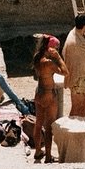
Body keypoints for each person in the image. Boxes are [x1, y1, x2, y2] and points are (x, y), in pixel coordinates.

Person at [30, 34, 65, 162]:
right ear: (50, 48)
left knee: (38, 124)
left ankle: (38, 151)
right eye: (55, 48)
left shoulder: (37, 58)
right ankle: (49, 157)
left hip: (39, 93)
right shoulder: (49, 63)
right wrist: (58, 58)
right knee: (49, 127)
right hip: (49, 95)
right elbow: (65, 72)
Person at [62, 13, 85, 118]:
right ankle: (73, 129)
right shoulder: (74, 42)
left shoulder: (80, 34)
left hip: (83, 76)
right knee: (77, 106)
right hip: (77, 78)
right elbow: (71, 62)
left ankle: (81, 126)